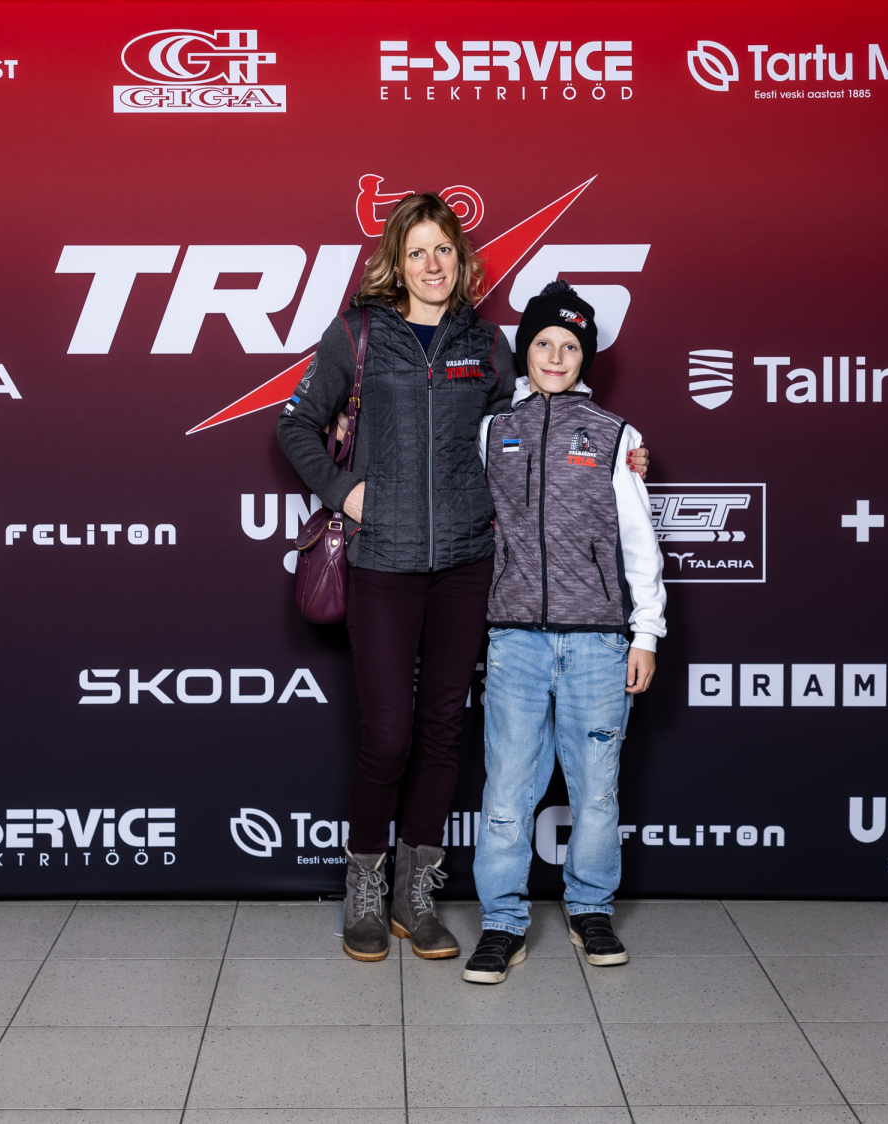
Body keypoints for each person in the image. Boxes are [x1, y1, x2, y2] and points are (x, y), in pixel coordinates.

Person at [277, 193, 511, 962]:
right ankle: (365, 890)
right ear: (396, 263)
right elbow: (295, 423)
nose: (431, 265)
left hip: (466, 564)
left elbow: (519, 437)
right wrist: (345, 492)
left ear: (461, 259)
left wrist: (618, 455)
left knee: (443, 732)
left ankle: (416, 895)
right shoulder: (359, 333)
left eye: (443, 250)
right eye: (417, 252)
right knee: (388, 737)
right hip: (381, 559)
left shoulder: (488, 344)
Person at [461, 280, 666, 984]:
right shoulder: (493, 428)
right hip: (515, 640)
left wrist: (646, 634)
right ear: (525, 350)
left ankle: (591, 910)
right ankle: (501, 923)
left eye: (569, 346)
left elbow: (639, 542)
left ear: (585, 357)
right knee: (506, 791)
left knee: (597, 792)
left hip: (599, 644)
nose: (555, 356)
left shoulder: (615, 435)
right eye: (543, 342)